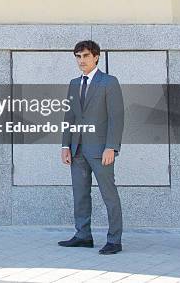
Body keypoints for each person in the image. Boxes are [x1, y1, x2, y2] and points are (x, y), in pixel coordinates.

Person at [59, 40, 125, 255]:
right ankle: (83, 236)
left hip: (100, 150)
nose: (81, 60)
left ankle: (114, 240)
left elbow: (117, 117)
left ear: (96, 56)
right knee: (80, 194)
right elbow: (69, 116)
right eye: (78, 56)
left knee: (109, 195)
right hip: (77, 149)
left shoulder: (109, 82)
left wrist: (111, 147)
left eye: (85, 56)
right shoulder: (73, 83)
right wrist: (65, 145)